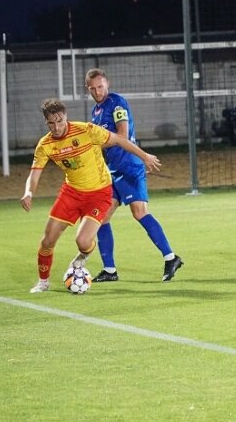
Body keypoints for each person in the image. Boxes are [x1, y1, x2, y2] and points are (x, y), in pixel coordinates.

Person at [21, 98, 162, 293]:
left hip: (99, 193)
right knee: (47, 241)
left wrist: (144, 156)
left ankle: (82, 257)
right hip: (71, 193)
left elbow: (120, 139)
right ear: (46, 122)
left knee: (83, 241)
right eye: (51, 123)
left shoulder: (86, 130)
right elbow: (34, 174)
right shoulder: (45, 145)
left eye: (60, 121)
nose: (57, 126)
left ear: (66, 117)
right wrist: (28, 193)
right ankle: (43, 282)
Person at [84, 68, 183, 283]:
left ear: (107, 84)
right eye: (93, 88)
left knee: (139, 212)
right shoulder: (96, 111)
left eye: (100, 87)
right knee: (101, 217)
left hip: (129, 167)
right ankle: (110, 270)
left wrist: (144, 157)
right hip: (112, 171)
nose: (97, 91)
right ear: (88, 89)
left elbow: (122, 135)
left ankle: (171, 257)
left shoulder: (117, 103)